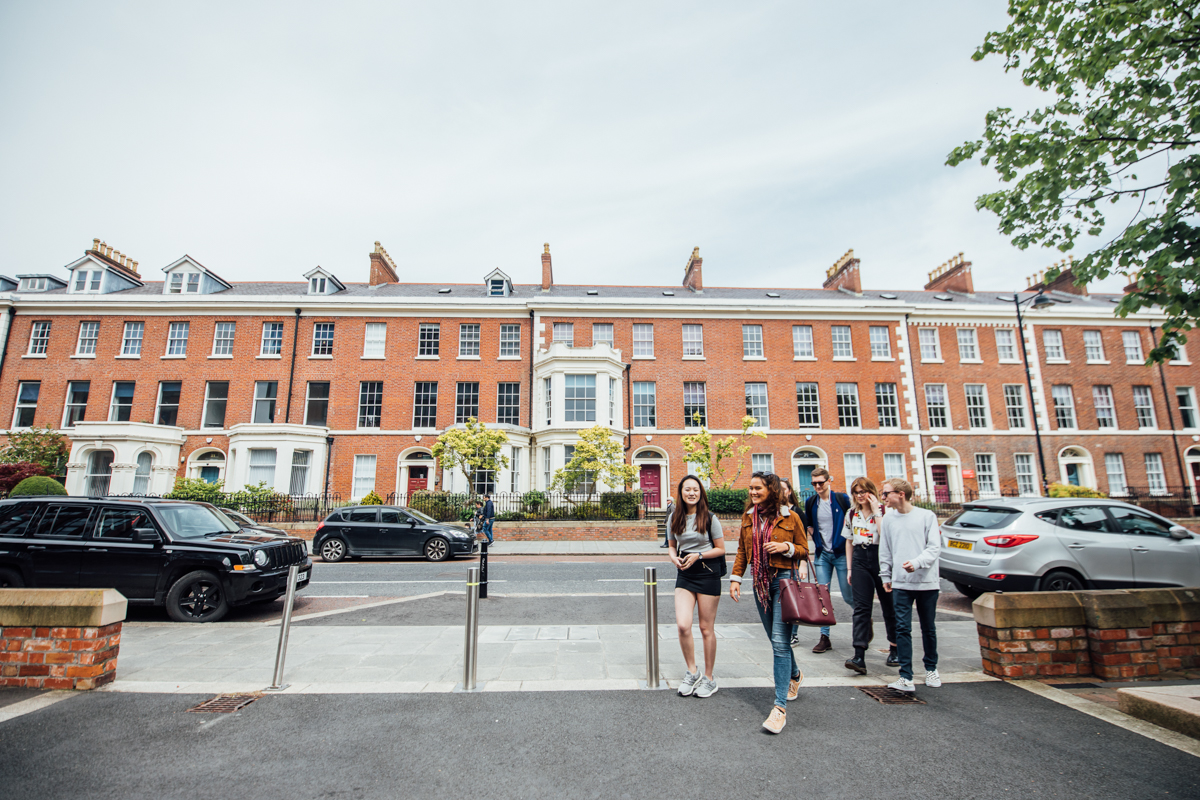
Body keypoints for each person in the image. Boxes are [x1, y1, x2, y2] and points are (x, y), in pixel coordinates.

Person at [730, 471, 809, 734]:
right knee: (778, 641)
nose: (752, 493)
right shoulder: (748, 517)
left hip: (783, 581)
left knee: (779, 642)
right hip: (759, 584)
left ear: (771, 491)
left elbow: (804, 549)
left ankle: (779, 708)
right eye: (750, 489)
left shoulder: (790, 516)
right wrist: (735, 578)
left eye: (757, 489)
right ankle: (794, 674)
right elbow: (743, 550)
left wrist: (786, 548)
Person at [879, 478, 941, 693]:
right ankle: (906, 676)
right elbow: (885, 550)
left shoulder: (927, 516)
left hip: (927, 582)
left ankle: (931, 669)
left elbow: (934, 548)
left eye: (886, 493)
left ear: (901, 494)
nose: (883, 497)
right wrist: (885, 575)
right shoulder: (888, 519)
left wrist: (916, 563)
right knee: (902, 628)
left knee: (928, 628)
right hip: (900, 583)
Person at [666, 475, 725, 698]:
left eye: (696, 489)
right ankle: (693, 671)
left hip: (708, 572)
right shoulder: (674, 517)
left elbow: (721, 549)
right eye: (687, 489)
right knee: (683, 625)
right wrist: (674, 557)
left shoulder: (710, 518)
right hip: (685, 573)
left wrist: (699, 554)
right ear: (681, 492)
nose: (692, 493)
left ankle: (709, 678)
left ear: (701, 493)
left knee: (705, 628)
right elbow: (672, 546)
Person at [842, 477, 898, 674]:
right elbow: (849, 541)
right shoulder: (851, 514)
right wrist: (849, 569)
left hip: (880, 557)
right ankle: (859, 655)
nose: (860, 495)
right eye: (856, 492)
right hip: (859, 558)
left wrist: (876, 513)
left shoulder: (885, 512)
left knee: (888, 606)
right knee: (861, 608)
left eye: (863, 491)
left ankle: (895, 648)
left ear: (871, 491)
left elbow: (886, 537)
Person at [804, 467, 852, 654]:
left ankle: (864, 622)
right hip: (823, 554)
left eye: (820, 483)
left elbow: (852, 521)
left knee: (848, 595)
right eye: (814, 483)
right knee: (822, 596)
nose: (817, 486)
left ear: (829, 480)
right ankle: (825, 637)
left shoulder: (842, 499)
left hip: (841, 554)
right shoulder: (811, 502)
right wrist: (817, 539)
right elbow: (809, 523)